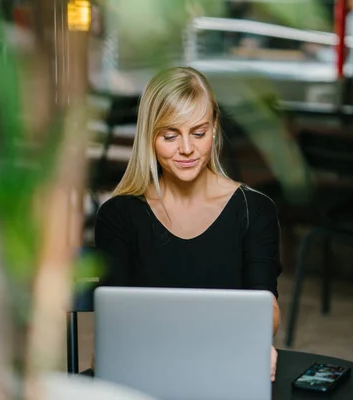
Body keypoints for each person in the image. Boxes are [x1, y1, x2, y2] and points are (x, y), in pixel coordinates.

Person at [94, 66, 282, 381]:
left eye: (198, 133)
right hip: (145, 372)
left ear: (214, 127)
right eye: (170, 135)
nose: (186, 148)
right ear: (149, 136)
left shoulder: (254, 210)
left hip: (227, 369)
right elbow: (115, 320)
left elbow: (267, 306)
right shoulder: (120, 215)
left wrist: (260, 341)